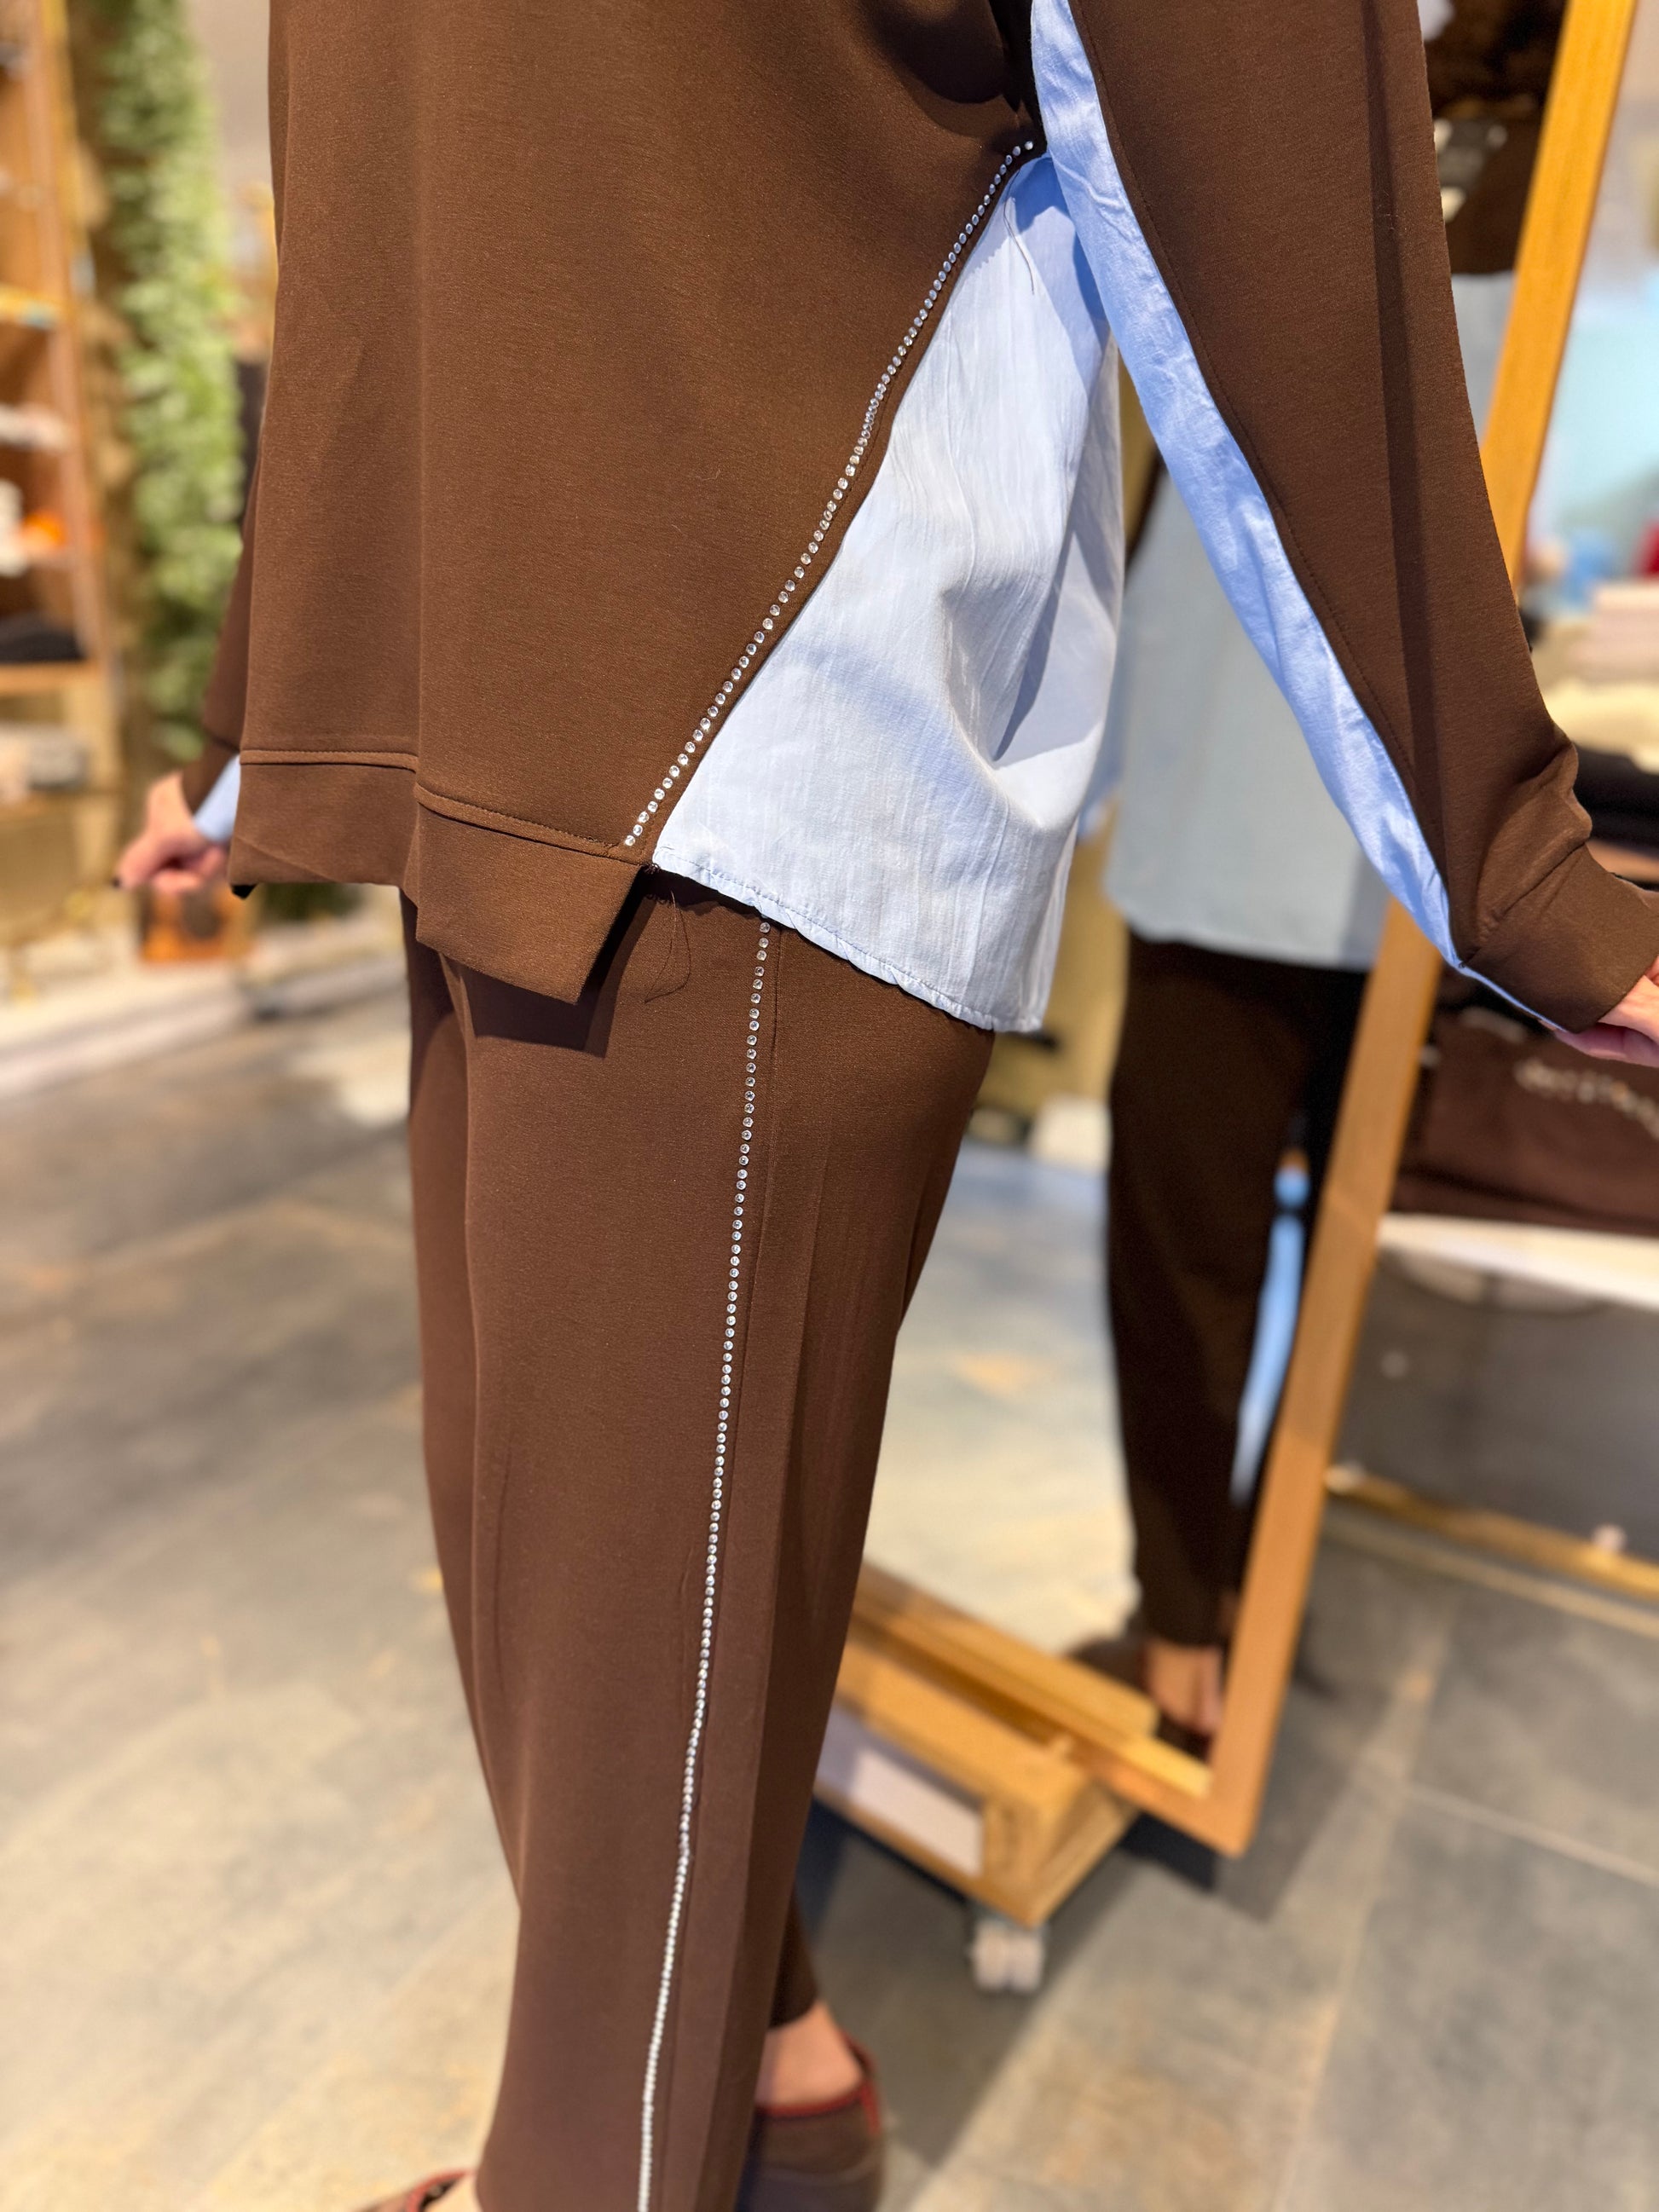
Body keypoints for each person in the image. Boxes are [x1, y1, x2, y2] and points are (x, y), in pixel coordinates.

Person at [117, 3, 1659, 2209]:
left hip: (759, 717)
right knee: (550, 1628)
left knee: (615, 1746)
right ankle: (789, 2083)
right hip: (483, 682)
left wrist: (1505, 840)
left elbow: (1248, 88)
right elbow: (395, 192)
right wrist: (269, 708)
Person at [1095, 0, 1552, 1747]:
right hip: (1226, 767)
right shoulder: (1250, 74)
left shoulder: (1551, 137)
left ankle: (1257, 1590)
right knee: (1180, 1237)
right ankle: (1180, 1608)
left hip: (1426, 825)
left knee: (1351, 1258)